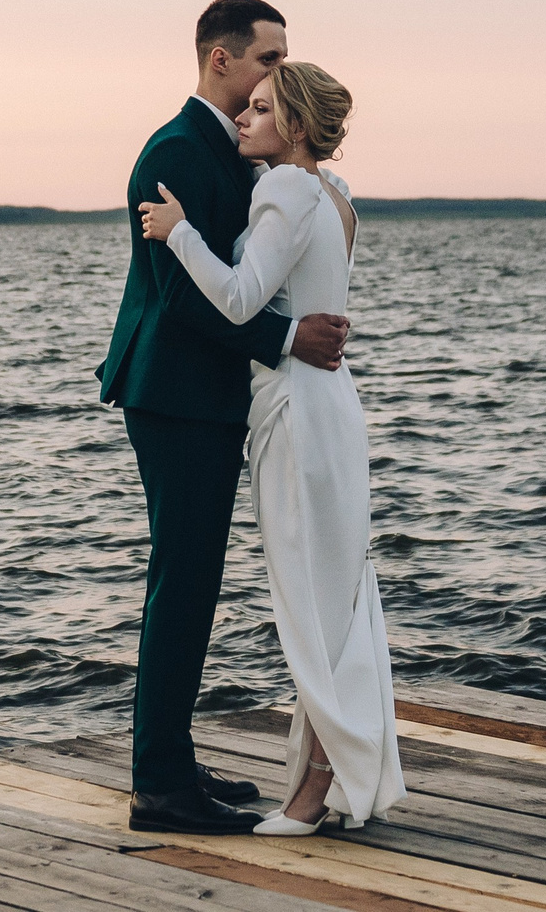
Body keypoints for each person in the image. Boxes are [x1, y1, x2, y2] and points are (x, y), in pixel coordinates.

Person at [98, 0, 353, 836]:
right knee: (182, 583)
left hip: (207, 396)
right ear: (221, 59)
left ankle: (171, 755)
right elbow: (181, 299)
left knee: (196, 581)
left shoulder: (233, 148)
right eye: (270, 59)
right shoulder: (174, 151)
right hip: (173, 394)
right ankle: (160, 785)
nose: (278, 74)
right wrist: (287, 337)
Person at [140, 60, 405, 834]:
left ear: (292, 124)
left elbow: (238, 297)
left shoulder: (284, 187)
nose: (245, 120)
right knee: (339, 598)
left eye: (260, 109)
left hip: (295, 408)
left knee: (308, 606)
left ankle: (313, 794)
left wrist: (178, 231)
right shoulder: (338, 193)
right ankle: (333, 778)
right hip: (335, 406)